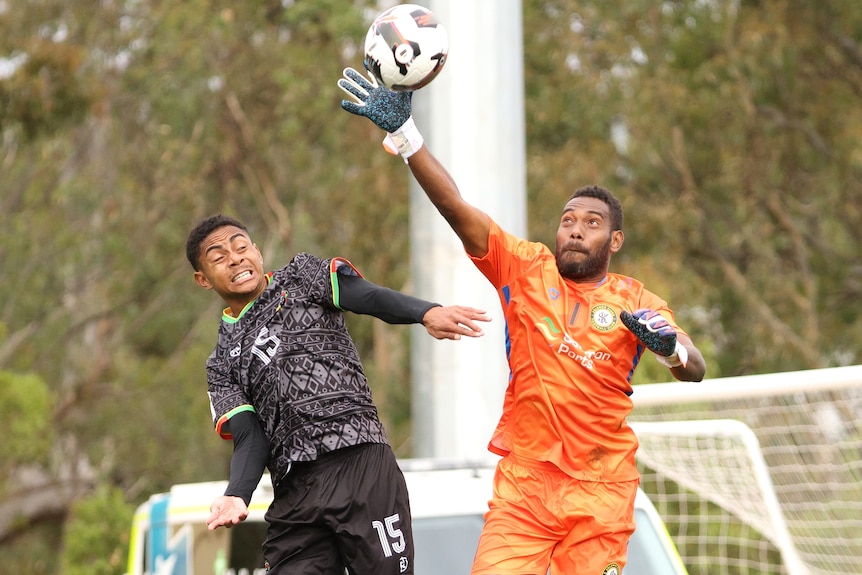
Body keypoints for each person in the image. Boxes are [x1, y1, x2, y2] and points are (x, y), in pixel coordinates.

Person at [338, 67, 707, 575]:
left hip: (602, 489)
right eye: (568, 220)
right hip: (526, 484)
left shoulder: (637, 300)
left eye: (592, 224)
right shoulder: (526, 267)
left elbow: (694, 366)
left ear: (614, 242)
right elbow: (456, 208)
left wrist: (668, 348)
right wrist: (407, 136)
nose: (576, 230)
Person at [185, 214, 490, 575]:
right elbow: (250, 437)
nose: (235, 259)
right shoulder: (220, 363)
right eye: (219, 257)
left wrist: (425, 312)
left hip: (360, 465)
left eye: (240, 247)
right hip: (295, 491)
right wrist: (238, 492)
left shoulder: (301, 278)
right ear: (203, 279)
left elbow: (366, 296)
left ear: (257, 251)